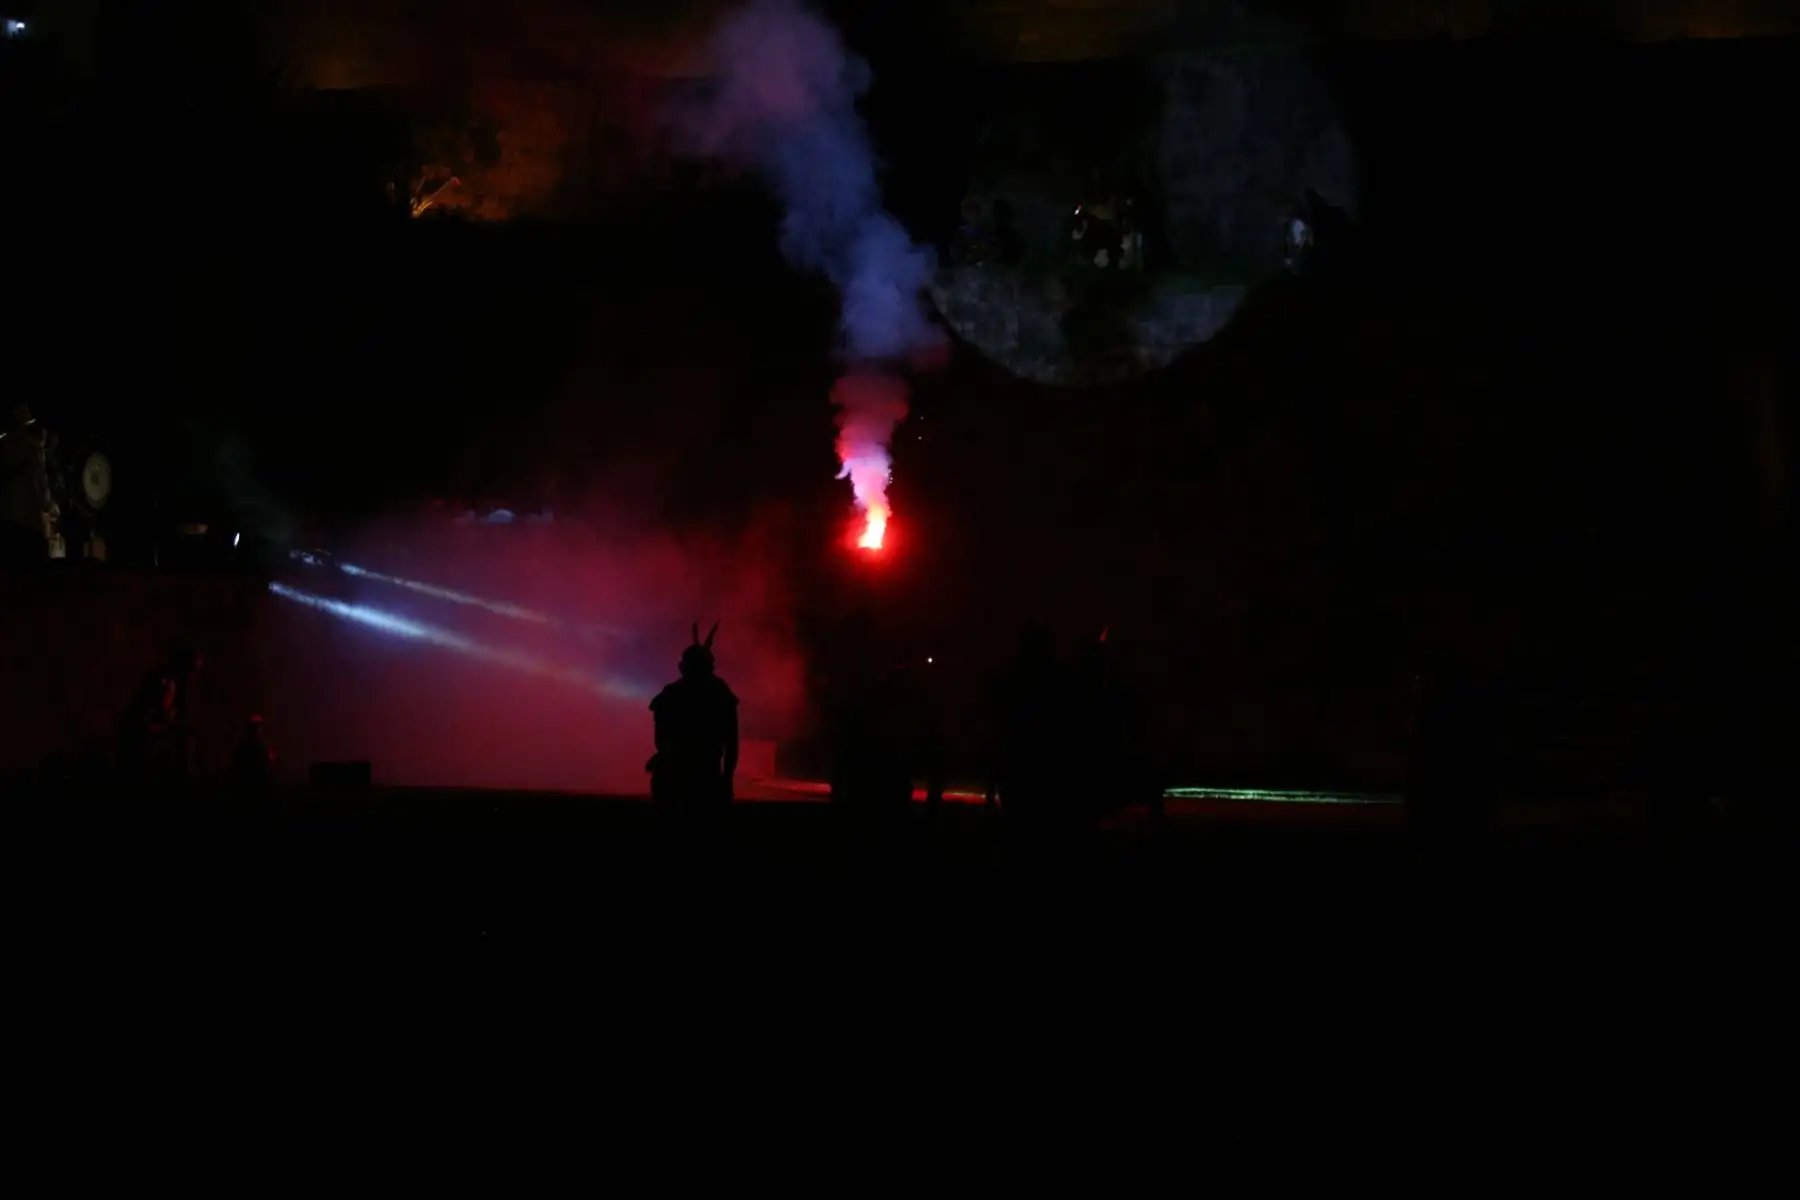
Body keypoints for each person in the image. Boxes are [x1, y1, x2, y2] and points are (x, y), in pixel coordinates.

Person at [647, 622, 740, 844]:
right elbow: (731, 742)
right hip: (697, 776)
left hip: (683, 776)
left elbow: (661, 739)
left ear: (683, 667)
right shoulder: (717, 692)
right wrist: (726, 780)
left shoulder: (674, 693)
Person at [120, 646, 204, 784]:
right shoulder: (166, 685)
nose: (194, 677)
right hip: (143, 755)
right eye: (192, 671)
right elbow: (158, 719)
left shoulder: (172, 687)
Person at [1, 403, 54, 565]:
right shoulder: (32, 448)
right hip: (28, 520)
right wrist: (48, 505)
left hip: (9, 518)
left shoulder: (5, 444)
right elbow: (41, 481)